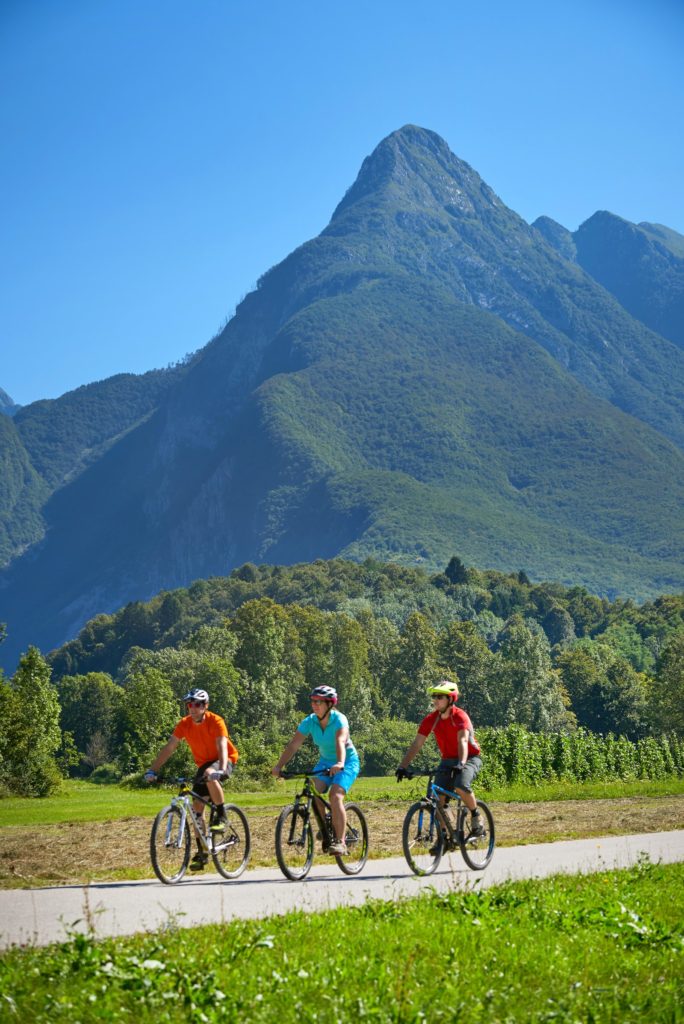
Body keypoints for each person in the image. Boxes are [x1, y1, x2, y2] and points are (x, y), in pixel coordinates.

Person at [144, 687, 239, 870]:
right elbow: (170, 747)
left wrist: (222, 769)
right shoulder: (184, 724)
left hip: (224, 759)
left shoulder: (216, 721)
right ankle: (202, 852)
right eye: (190, 705)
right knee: (197, 809)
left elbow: (222, 746)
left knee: (211, 775)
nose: (193, 708)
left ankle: (221, 815)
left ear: (205, 706)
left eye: (197, 704)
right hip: (203, 765)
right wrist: (152, 770)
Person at [272, 685, 360, 855]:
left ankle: (341, 842)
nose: (314, 704)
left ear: (329, 704)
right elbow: (293, 745)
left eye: (318, 701)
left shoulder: (340, 720)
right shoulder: (309, 721)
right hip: (325, 762)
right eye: (313, 701)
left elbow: (340, 741)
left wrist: (340, 762)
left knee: (335, 796)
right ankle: (327, 825)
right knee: (313, 791)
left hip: (347, 762)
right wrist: (279, 766)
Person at [396, 679, 485, 838]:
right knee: (438, 799)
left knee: (461, 785)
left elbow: (462, 741)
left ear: (450, 699)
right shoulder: (431, 719)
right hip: (447, 760)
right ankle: (444, 837)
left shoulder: (460, 717)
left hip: (469, 757)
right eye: (434, 696)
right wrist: (403, 766)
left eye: (439, 697)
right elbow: (417, 743)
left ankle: (476, 816)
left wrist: (461, 763)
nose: (435, 700)